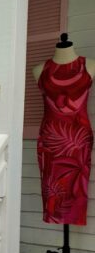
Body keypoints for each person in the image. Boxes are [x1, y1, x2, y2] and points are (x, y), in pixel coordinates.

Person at [32, 34, 94, 225]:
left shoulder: (89, 65)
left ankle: (73, 221)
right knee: (53, 188)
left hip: (79, 137)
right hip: (51, 139)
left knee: (77, 183)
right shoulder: (40, 69)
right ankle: (55, 217)